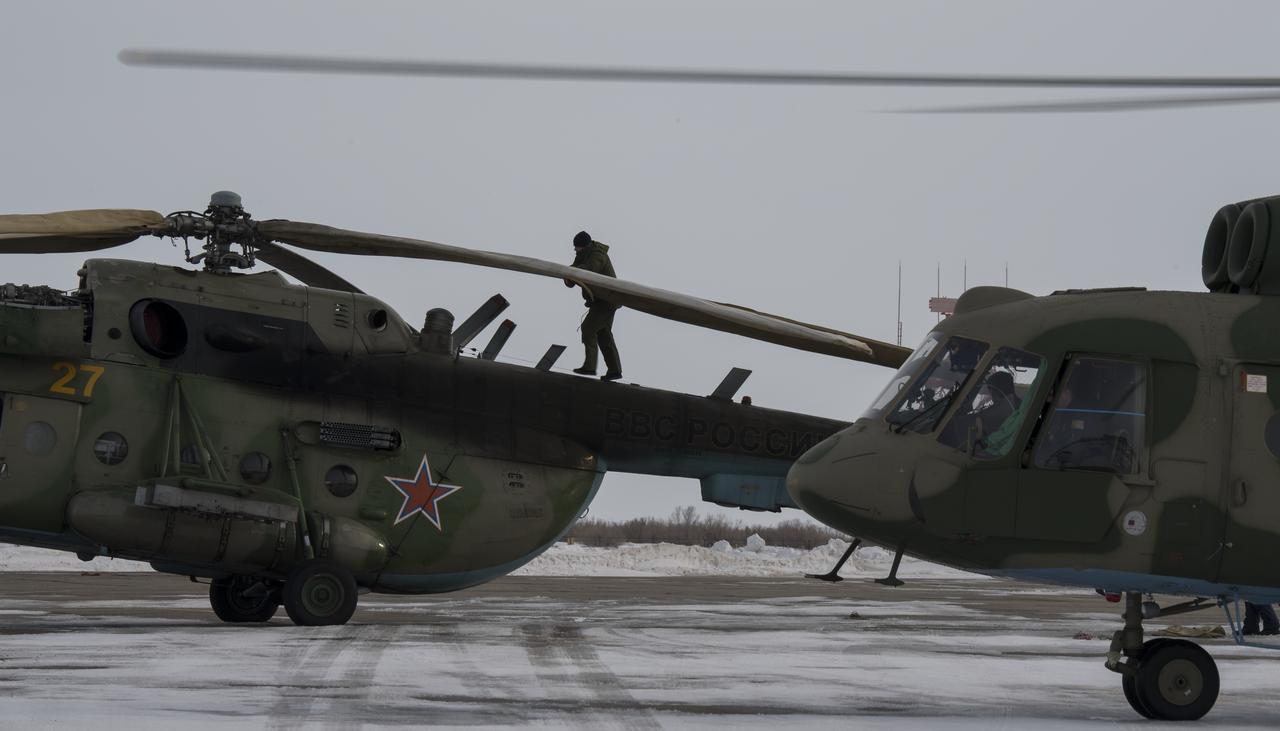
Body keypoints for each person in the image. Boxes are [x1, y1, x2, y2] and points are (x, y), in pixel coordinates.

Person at [564, 230, 622, 381]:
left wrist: (572, 272)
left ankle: (590, 367)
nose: (575, 250)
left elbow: (589, 271)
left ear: (585, 246)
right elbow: (574, 272)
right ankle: (614, 370)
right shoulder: (583, 255)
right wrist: (567, 276)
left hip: (607, 301)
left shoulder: (598, 255)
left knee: (588, 328)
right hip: (602, 301)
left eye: (577, 247)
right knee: (603, 335)